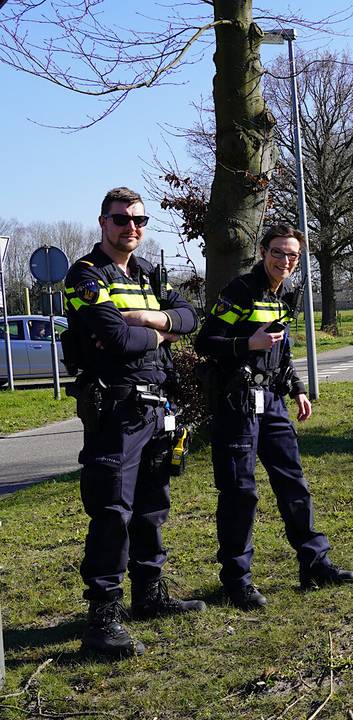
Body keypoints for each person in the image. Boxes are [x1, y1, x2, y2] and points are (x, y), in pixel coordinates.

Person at [62, 186, 205, 658]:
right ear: (103, 222)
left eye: (139, 220)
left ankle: (149, 594)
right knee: (112, 511)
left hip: (155, 407)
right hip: (115, 410)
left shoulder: (148, 274)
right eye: (122, 219)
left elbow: (189, 316)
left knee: (151, 505)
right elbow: (111, 337)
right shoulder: (84, 275)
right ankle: (102, 619)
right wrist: (158, 335)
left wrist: (147, 318)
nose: (132, 227)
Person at [194, 223, 353, 611]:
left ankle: (314, 564)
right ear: (263, 252)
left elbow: (280, 353)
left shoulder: (284, 295)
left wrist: (298, 388)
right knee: (240, 493)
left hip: (273, 401)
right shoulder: (240, 292)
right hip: (237, 404)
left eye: (293, 256)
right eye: (278, 253)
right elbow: (205, 342)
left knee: (293, 482)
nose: (285, 261)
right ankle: (237, 581)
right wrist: (245, 343)